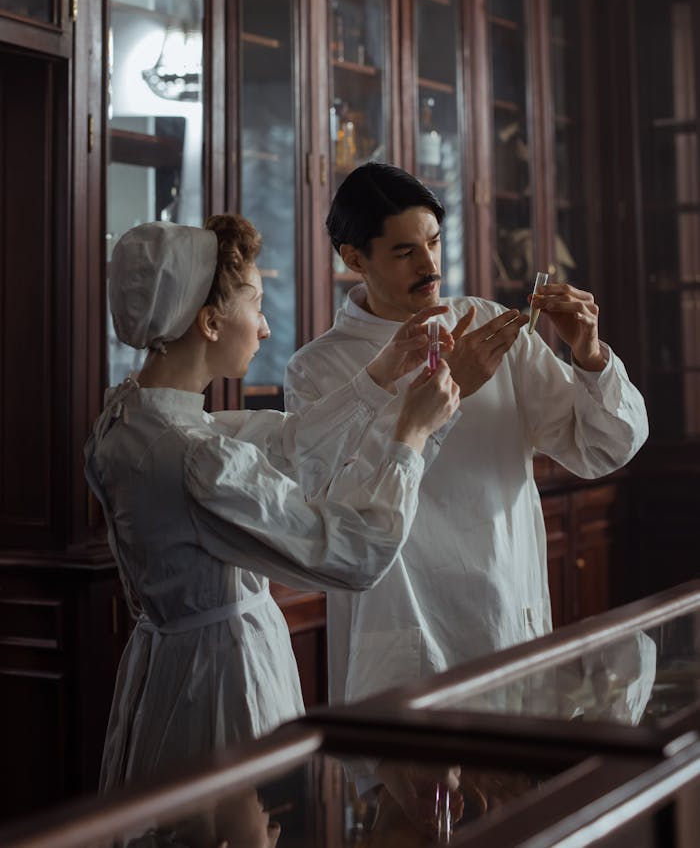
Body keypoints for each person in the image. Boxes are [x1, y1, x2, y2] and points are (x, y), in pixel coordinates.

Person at [85, 214, 460, 791]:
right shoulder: (194, 456)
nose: (263, 329)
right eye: (256, 305)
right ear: (210, 322)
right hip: (224, 685)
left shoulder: (131, 420)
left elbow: (287, 443)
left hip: (164, 671)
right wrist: (409, 434)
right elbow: (355, 554)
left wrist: (383, 372)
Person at [284, 162, 649, 707]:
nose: (429, 265)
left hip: (505, 614)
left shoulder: (490, 325)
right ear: (354, 258)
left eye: (433, 241)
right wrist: (450, 390)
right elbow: (332, 513)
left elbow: (603, 448)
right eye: (405, 252)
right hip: (401, 634)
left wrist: (590, 356)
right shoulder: (317, 370)